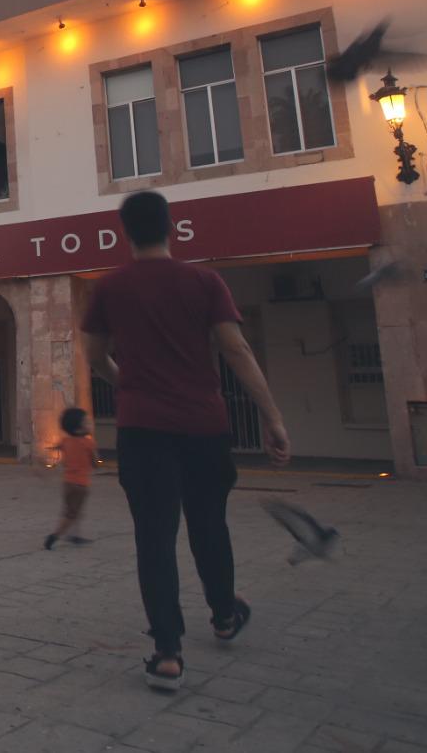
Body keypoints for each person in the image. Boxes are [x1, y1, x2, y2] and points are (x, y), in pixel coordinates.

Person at [82, 191, 291, 692]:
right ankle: (223, 614)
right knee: (209, 524)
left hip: (142, 430)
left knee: (154, 537)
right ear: (170, 227)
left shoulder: (110, 287)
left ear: (124, 232)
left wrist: (129, 383)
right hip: (203, 426)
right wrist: (272, 417)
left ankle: (167, 653)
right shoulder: (204, 282)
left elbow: (94, 357)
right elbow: (236, 349)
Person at [46, 407, 96, 550]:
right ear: (79, 428)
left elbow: (56, 448)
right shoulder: (89, 443)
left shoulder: (65, 441)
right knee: (72, 514)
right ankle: (55, 536)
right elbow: (95, 462)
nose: (90, 424)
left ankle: (75, 535)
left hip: (67, 483)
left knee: (72, 510)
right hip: (80, 485)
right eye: (87, 422)